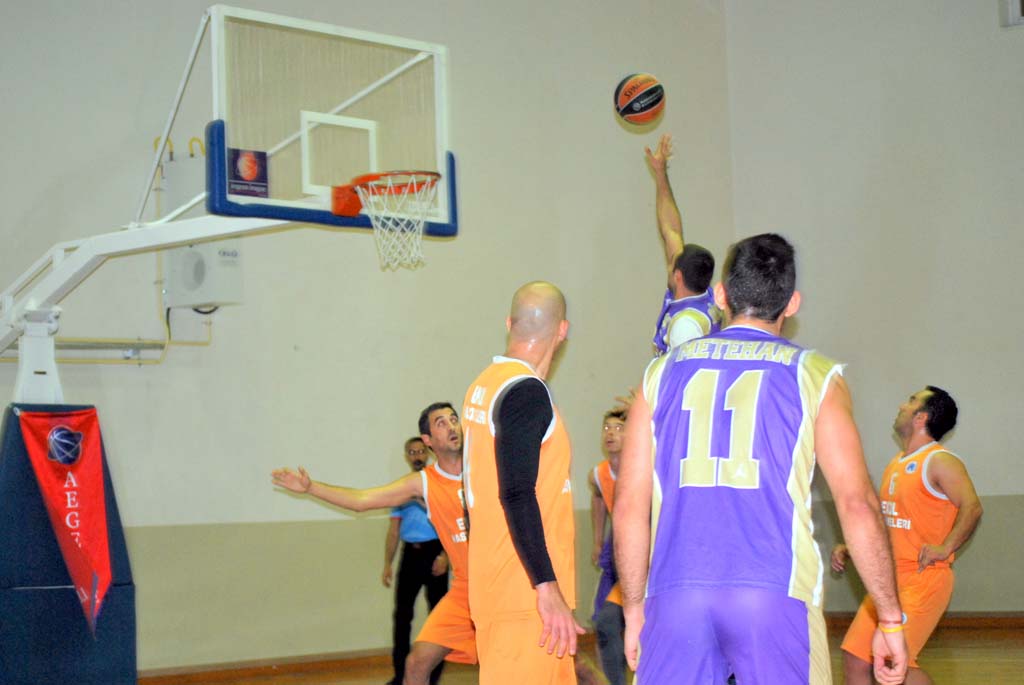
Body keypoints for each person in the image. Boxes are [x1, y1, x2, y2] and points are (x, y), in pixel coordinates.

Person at [614, 234, 908, 685]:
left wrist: (634, 607)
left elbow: (629, 506)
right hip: (774, 591)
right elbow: (857, 505)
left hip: (676, 594)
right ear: (792, 304)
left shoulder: (660, 373)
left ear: (720, 295)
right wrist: (889, 618)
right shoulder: (815, 376)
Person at [271, 402, 475, 685]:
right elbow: (362, 501)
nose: (452, 426)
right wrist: (311, 488)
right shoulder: (423, 484)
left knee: (509, 665)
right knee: (416, 664)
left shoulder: (486, 468)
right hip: (466, 590)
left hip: (503, 585)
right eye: (441, 423)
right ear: (427, 440)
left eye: (454, 419)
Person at [462, 281, 582, 685]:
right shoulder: (526, 392)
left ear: (509, 323)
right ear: (562, 330)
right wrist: (546, 586)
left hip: (499, 582)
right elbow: (516, 491)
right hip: (525, 593)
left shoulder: (485, 384)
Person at [833, 386, 983, 685]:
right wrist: (853, 546)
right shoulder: (897, 463)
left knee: (894, 661)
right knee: (856, 657)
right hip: (889, 581)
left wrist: (946, 547)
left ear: (921, 417)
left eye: (911, 400)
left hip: (923, 579)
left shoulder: (940, 461)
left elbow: (973, 507)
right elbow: (890, 523)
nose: (902, 405)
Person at [381, 437, 450, 685]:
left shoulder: (438, 484)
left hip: (436, 555)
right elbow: (393, 530)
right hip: (410, 555)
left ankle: (432, 677)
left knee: (438, 619)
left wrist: (445, 556)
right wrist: (388, 563)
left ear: (428, 454)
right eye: (412, 452)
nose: (417, 456)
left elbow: (452, 524)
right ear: (407, 456)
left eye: (421, 451)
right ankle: (401, 676)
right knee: (402, 617)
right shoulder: (403, 490)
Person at [645, 134, 721, 355]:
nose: (668, 260)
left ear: (678, 275)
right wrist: (660, 173)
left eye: (671, 263)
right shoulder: (702, 295)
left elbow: (687, 374)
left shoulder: (686, 326)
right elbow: (671, 230)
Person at [589, 409, 628, 685]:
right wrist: (597, 539)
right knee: (603, 623)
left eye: (618, 428)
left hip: (642, 558)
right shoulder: (598, 474)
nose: (610, 433)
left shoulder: (643, 468)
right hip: (615, 554)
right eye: (606, 428)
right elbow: (598, 499)